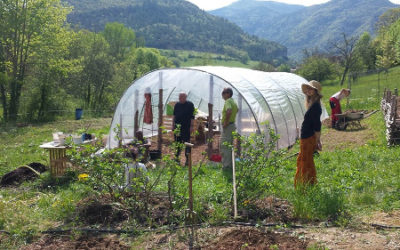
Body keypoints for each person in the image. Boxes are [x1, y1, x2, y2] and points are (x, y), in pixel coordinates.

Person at [295, 80, 323, 188]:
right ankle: (304, 183)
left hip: (308, 137)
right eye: (307, 89)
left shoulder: (316, 106)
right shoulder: (312, 104)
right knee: (303, 160)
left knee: (306, 162)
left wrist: (317, 140)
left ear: (316, 91)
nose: (308, 91)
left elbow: (317, 125)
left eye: (310, 89)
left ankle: (309, 184)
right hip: (305, 136)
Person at [173, 92, 195, 165]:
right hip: (178, 127)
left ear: (185, 97)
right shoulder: (177, 105)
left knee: (187, 143)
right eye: (179, 97)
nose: (179, 99)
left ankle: (187, 160)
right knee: (177, 143)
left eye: (181, 97)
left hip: (186, 127)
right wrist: (172, 125)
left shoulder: (190, 105)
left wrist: (192, 126)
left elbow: (192, 117)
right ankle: (177, 159)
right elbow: (174, 116)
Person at [221, 87, 238, 172]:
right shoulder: (233, 101)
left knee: (225, 146)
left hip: (228, 126)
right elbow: (237, 110)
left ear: (228, 94)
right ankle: (230, 164)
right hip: (232, 125)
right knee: (230, 145)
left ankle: (226, 166)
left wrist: (226, 122)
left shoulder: (228, 101)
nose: (222, 95)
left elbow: (229, 111)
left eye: (224, 93)